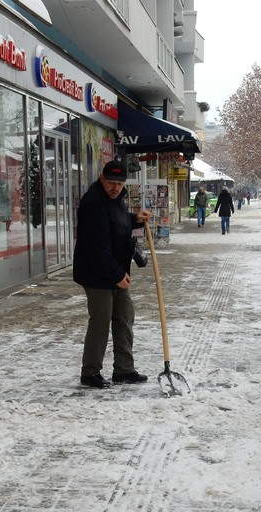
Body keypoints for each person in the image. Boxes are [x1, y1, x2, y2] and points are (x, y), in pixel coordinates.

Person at [73, 160, 152, 389]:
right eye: (111, 182)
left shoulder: (115, 200)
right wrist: (117, 275)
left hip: (116, 271)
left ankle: (124, 370)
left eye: (119, 183)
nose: (115, 187)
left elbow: (115, 222)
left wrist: (133, 219)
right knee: (100, 322)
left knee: (125, 317)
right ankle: (90, 373)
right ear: (101, 178)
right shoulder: (93, 203)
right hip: (96, 274)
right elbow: (97, 247)